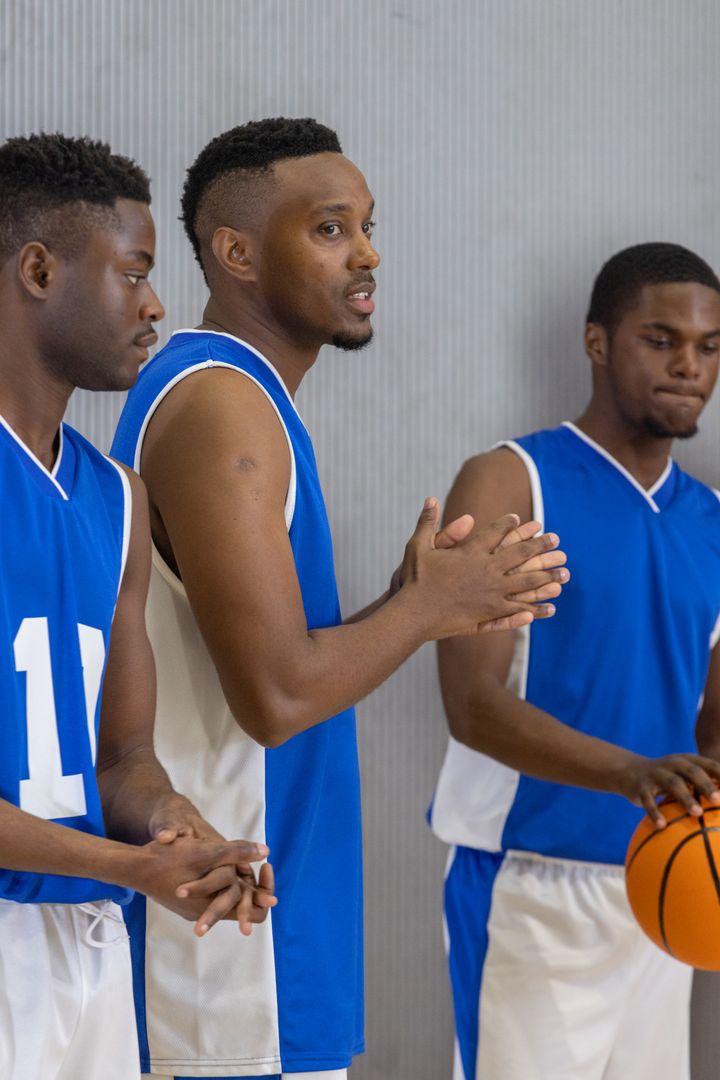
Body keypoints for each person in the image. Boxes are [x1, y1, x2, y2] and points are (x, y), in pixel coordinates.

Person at [110, 116, 569, 1080]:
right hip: (230, 954)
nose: (366, 253)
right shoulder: (221, 407)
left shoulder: (243, 399)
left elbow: (283, 664)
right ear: (234, 251)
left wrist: (403, 605)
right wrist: (429, 611)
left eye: (366, 226)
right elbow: (274, 699)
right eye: (329, 228)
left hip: (268, 936)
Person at [0, 132, 276, 1080]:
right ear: (38, 269)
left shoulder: (118, 499)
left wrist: (179, 829)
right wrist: (129, 869)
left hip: (86, 939)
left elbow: (120, 758)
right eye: (133, 273)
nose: (156, 304)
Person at [430, 241, 720, 1080]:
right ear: (597, 342)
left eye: (708, 348)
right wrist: (635, 775)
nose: (688, 366)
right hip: (528, 881)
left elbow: (707, 725)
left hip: (668, 878)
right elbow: (472, 706)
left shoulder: (711, 521)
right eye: (660, 340)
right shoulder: (511, 482)